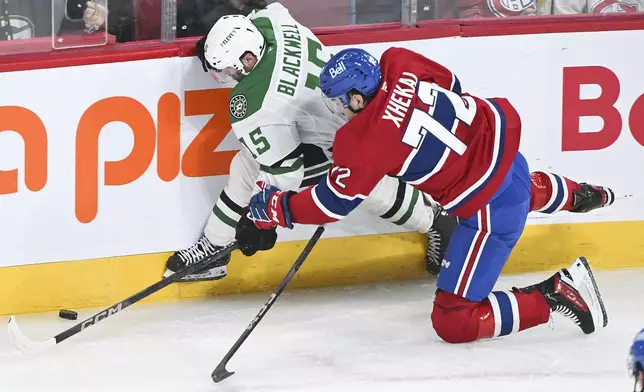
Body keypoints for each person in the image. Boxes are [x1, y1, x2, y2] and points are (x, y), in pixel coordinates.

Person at [242, 46, 614, 343]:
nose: (339, 110)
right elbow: (451, 83)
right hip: (505, 153)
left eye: (340, 101)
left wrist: (276, 207)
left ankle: (556, 293)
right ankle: (583, 194)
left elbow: (331, 203)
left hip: (488, 209)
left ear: (357, 98)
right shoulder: (398, 60)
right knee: (520, 188)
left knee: (454, 321)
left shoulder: (360, 143)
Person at [163, 3, 450, 282]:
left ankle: (436, 220)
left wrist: (259, 220)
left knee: (359, 185)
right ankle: (215, 248)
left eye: (229, 69)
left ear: (248, 60)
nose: (227, 76)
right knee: (247, 164)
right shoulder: (272, 21)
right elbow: (253, 13)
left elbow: (287, 175)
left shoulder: (256, 103)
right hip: (363, 113)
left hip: (353, 138)